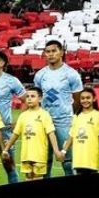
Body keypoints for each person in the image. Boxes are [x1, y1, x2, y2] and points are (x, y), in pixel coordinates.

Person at [33, 39, 83, 177]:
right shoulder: (40, 75)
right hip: (44, 121)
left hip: (64, 121)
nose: (50, 54)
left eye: (54, 51)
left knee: (67, 161)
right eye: (47, 51)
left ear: (61, 52)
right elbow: (36, 97)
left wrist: (68, 114)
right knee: (44, 160)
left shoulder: (71, 74)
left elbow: (77, 99)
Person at [2, 87, 64, 181]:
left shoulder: (44, 115)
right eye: (27, 96)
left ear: (40, 98)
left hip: (39, 155)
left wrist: (56, 151)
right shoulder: (23, 115)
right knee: (28, 179)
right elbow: (15, 134)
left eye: (33, 96)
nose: (29, 98)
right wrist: (6, 149)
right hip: (26, 155)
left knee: (37, 178)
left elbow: (51, 134)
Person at [0, 50, 25, 183]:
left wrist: (18, 122)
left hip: (5, 130)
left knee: (9, 166)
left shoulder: (11, 81)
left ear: (1, 63)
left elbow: (27, 100)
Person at [65, 87, 99, 175]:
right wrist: (64, 151)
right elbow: (72, 136)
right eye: (82, 98)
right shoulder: (76, 116)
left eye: (88, 98)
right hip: (78, 160)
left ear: (94, 98)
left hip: (91, 158)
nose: (85, 100)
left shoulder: (98, 116)